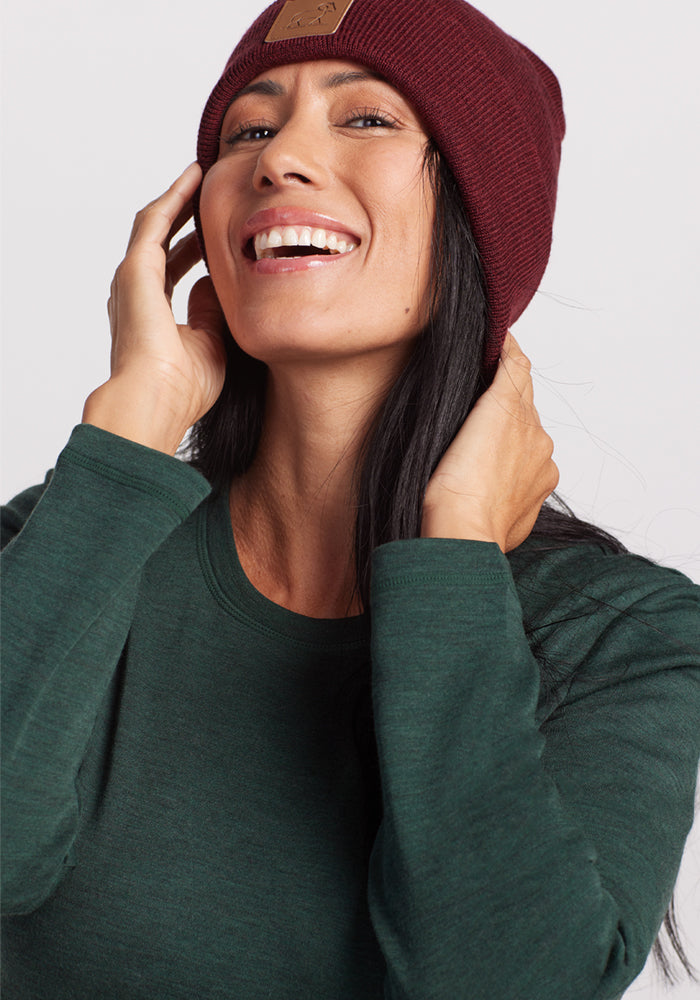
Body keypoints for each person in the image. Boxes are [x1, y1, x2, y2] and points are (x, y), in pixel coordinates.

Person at [2, 0, 698, 997]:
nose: (278, 159)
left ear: (478, 217)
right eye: (249, 128)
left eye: (365, 117)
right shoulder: (69, 542)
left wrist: (453, 559)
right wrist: (128, 428)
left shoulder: (620, 633)